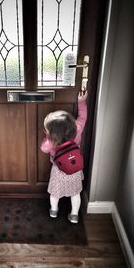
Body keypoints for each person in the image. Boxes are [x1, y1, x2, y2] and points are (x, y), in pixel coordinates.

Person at [40, 90, 88, 224]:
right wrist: (81, 101)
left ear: (51, 132)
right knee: (75, 193)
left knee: (55, 193)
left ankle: (54, 210)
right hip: (75, 169)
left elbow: (43, 149)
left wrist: (48, 137)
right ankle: (74, 215)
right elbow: (83, 116)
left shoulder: (51, 141)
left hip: (58, 170)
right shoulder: (77, 128)